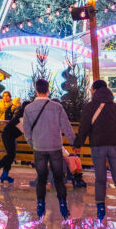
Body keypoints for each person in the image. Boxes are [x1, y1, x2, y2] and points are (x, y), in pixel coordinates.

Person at [73, 79, 116, 223]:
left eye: (91, 88)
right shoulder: (115, 107)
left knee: (100, 179)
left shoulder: (90, 107)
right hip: (114, 146)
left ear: (94, 89)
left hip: (98, 146)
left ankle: (100, 208)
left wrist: (78, 144)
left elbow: (84, 128)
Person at [23, 79, 75, 221]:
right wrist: (74, 142)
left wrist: (32, 143)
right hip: (55, 147)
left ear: (36, 90)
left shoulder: (28, 108)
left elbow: (26, 130)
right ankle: (63, 203)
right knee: (58, 178)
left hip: (39, 147)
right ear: (48, 90)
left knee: (41, 178)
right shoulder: (57, 107)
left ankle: (40, 204)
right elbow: (66, 126)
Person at [0, 97, 24, 185]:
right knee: (11, 154)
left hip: (10, 135)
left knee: (11, 155)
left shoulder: (22, 115)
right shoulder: (22, 116)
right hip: (8, 135)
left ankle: (5, 174)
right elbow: (24, 129)